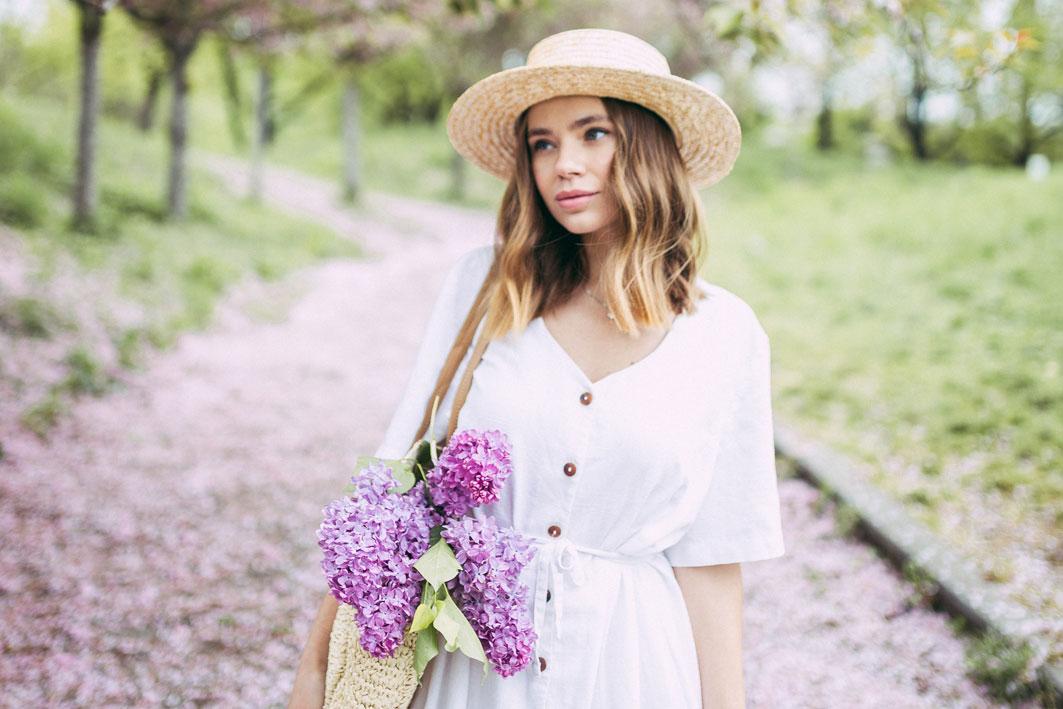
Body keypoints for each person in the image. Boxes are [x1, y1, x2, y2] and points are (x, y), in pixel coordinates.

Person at [289, 28, 785, 709]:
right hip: (474, 670)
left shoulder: (725, 334)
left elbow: (711, 558)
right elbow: (392, 486)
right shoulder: (484, 289)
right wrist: (316, 676)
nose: (563, 165)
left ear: (645, 146)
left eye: (593, 134)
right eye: (542, 143)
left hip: (633, 669)